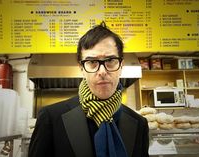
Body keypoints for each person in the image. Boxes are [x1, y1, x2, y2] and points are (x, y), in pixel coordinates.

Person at [28, 22, 149, 157]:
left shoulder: (139, 124)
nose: (102, 71)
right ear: (81, 68)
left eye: (110, 60)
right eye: (92, 62)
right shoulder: (51, 118)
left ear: (121, 66)